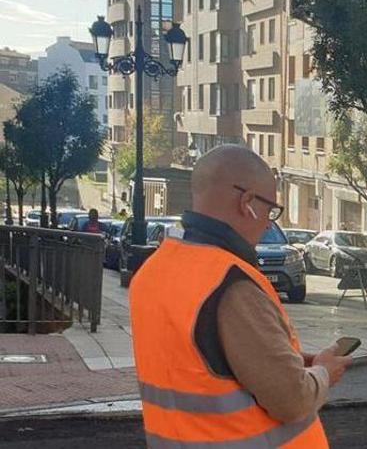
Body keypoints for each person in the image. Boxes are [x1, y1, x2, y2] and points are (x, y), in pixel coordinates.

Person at [130, 145, 350, 447]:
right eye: (270, 210)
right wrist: (324, 371)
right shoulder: (232, 284)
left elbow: (199, 365)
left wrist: (285, 360)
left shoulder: (153, 272)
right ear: (248, 202)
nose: (268, 222)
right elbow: (291, 400)